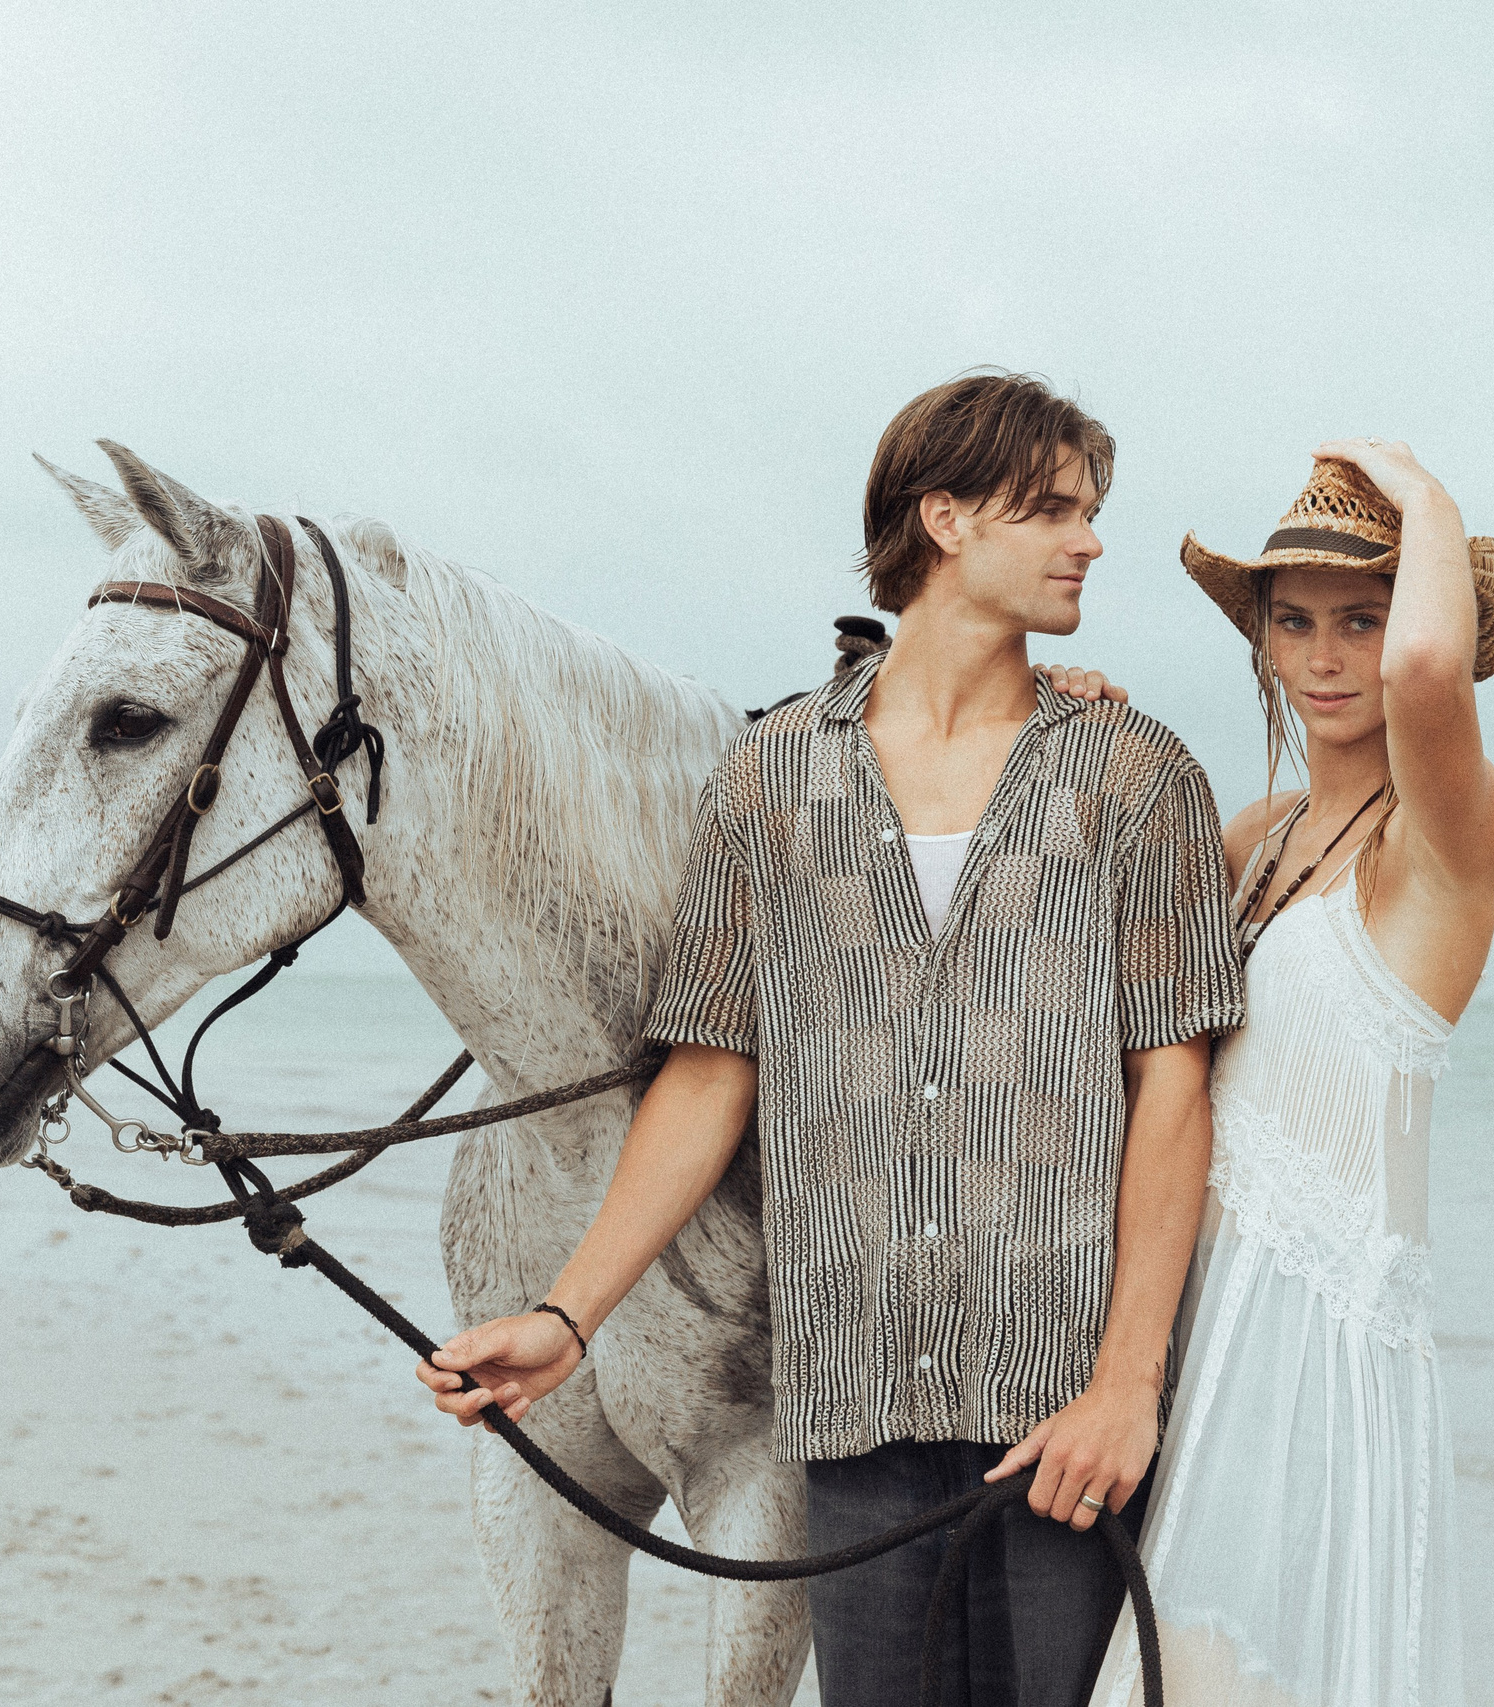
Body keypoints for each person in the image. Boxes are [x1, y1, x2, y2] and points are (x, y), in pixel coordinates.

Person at [419, 371, 1247, 1707]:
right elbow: (708, 1073)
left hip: (1067, 1415)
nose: (1090, 539)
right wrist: (571, 1314)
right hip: (853, 1402)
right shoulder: (771, 777)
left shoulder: (1133, 773)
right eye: (1051, 509)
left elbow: (1174, 1092)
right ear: (945, 520)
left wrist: (1127, 1385)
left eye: (1092, 511)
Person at [1076, 439, 1494, 1707]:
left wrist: (1427, 493)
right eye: (1296, 622)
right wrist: (1076, 730)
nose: (1327, 659)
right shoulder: (1253, 838)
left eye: (1362, 620)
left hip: (1308, 1346)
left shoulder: (1453, 837)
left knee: (1221, 1680)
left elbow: (1432, 670)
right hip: (1191, 1309)